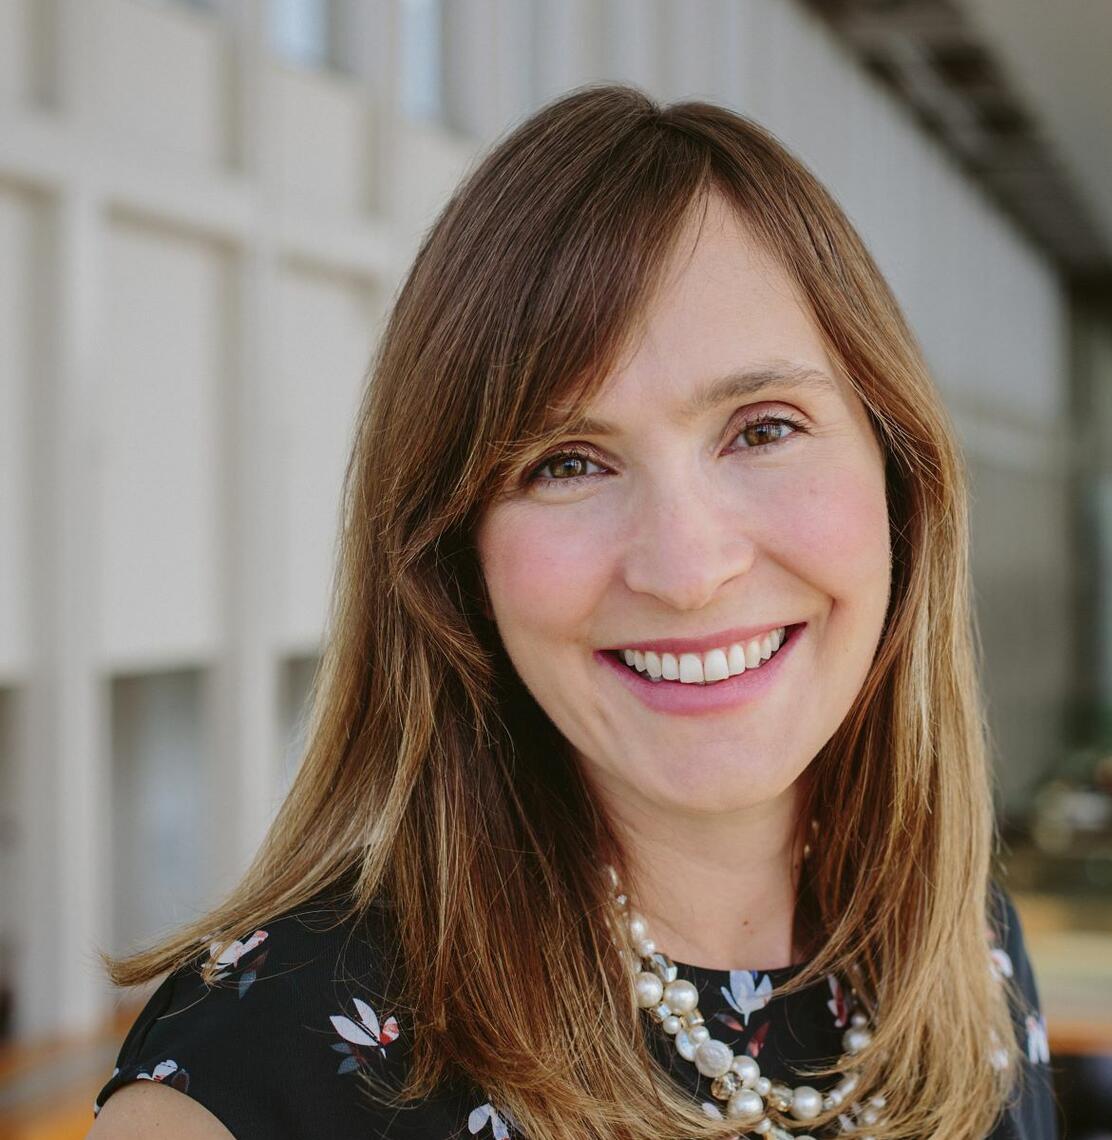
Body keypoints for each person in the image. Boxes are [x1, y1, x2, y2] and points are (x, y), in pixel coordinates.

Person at [87, 83, 1059, 1140]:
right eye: (567, 462)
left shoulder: (963, 954)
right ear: (455, 561)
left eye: (762, 429)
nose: (687, 569)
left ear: (898, 473)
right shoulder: (250, 1079)